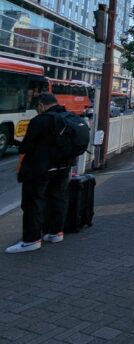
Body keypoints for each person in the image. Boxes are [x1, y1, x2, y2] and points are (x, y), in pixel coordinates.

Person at [6, 93, 71, 254]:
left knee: (33, 202)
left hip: (41, 168)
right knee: (58, 197)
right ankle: (56, 233)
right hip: (63, 166)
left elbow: (27, 146)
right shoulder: (69, 117)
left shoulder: (40, 120)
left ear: (41, 105)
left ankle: (31, 240)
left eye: (37, 107)